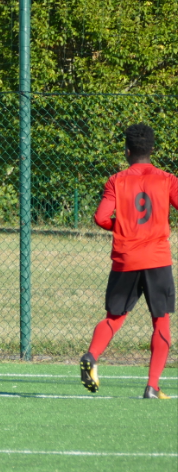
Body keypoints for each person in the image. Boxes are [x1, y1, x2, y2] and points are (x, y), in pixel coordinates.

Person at [81, 123, 176, 399]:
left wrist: (122, 226)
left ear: (127, 151)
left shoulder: (116, 180)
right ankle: (152, 386)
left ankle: (91, 355)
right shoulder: (167, 179)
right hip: (157, 259)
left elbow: (101, 218)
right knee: (161, 320)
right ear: (152, 150)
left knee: (115, 317)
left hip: (125, 259)